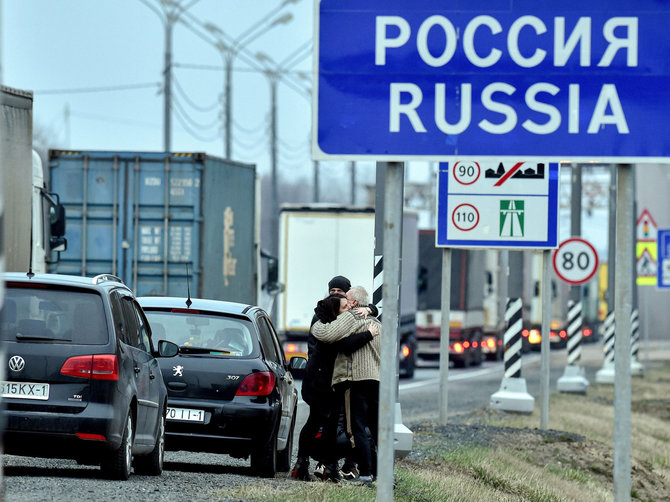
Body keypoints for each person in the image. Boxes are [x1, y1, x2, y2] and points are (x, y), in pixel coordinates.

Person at [291, 282, 374, 482]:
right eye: (345, 307)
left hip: (330, 381)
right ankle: (307, 463)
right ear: (335, 307)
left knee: (325, 425)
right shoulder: (325, 325)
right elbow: (344, 344)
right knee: (318, 422)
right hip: (321, 382)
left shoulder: (336, 318)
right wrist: (369, 334)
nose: (349, 310)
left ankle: (325, 466)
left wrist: (370, 308)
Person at [311, 285, 381, 486]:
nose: (346, 302)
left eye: (348, 299)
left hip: (355, 379)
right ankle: (380, 474)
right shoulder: (376, 322)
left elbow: (327, 334)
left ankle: (366, 474)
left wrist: (315, 325)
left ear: (355, 303)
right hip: (375, 379)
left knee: (356, 428)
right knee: (374, 429)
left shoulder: (351, 317)